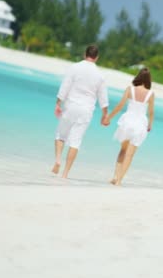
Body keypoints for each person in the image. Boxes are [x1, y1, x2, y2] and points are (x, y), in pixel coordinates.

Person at [52, 45, 109, 178]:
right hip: (86, 110)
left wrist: (58, 103)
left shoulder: (74, 67)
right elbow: (103, 97)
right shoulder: (100, 75)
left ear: (85, 54)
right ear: (97, 57)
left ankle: (58, 160)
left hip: (71, 106)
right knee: (75, 141)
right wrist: (105, 114)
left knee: (61, 135)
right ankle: (65, 174)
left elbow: (65, 85)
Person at [105, 68, 155, 185]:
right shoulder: (150, 94)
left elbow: (120, 105)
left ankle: (115, 177)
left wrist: (109, 117)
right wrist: (150, 124)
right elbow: (151, 112)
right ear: (148, 80)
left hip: (127, 122)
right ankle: (119, 181)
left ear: (138, 77)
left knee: (123, 150)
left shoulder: (130, 89)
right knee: (130, 154)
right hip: (140, 124)